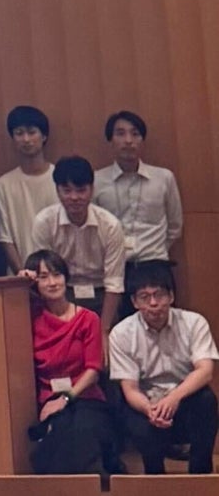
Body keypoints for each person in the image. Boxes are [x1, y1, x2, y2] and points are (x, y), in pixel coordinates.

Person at [108, 261, 217, 474]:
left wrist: (174, 397)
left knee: (207, 401)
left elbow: (205, 371)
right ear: (134, 302)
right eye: (144, 297)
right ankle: (155, 477)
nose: (153, 303)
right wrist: (149, 409)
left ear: (171, 296)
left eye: (159, 295)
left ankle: (200, 474)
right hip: (147, 402)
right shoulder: (121, 334)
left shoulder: (194, 323)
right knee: (133, 418)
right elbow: (130, 389)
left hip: (184, 397)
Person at [22, 250, 118, 474]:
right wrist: (22, 280)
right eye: (43, 277)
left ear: (66, 278)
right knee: (60, 430)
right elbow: (11, 300)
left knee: (83, 429)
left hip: (85, 395)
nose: (52, 282)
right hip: (49, 397)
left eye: (57, 274)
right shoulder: (30, 317)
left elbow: (93, 370)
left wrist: (66, 398)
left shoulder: (88, 319)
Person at [95, 110, 183, 317]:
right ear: (110, 140)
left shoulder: (164, 178)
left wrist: (155, 249)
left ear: (142, 140)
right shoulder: (97, 180)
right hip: (115, 270)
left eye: (135, 134)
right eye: (120, 133)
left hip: (155, 265)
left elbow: (175, 225)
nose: (128, 140)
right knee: (119, 327)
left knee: (160, 324)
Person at [27, 156, 126, 319]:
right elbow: (44, 273)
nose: (74, 197)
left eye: (81, 190)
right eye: (67, 191)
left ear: (92, 189)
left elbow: (114, 284)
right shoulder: (44, 222)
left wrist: (104, 329)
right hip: (62, 292)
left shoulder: (110, 225)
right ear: (57, 190)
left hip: (101, 293)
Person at [0, 105, 60, 272]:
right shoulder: (4, 184)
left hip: (59, 276)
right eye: (19, 133)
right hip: (21, 275)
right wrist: (23, 274)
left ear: (44, 136)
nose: (26, 139)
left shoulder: (60, 179)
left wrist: (56, 273)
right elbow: (5, 237)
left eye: (32, 132)